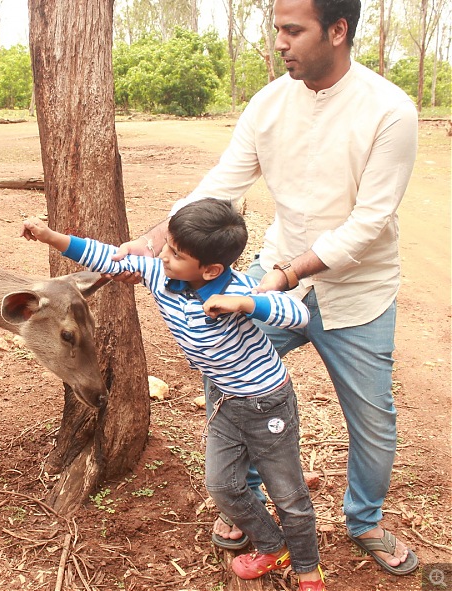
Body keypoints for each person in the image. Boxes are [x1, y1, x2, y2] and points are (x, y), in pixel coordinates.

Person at [110, 0, 419, 577]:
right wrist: (153, 239)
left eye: (292, 30)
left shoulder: (391, 112)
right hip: (276, 270)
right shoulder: (270, 103)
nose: (280, 42)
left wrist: (283, 278)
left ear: (337, 29)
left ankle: (366, 520)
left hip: (356, 291)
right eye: (277, 28)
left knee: (372, 417)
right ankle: (245, 504)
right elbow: (221, 186)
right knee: (227, 372)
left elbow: (369, 222)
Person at [22, 199, 326, 590]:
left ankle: (307, 570)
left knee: (288, 495)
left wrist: (246, 303)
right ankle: (272, 545)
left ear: (210, 270)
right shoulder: (161, 274)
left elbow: (298, 315)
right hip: (224, 401)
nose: (161, 255)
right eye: (166, 245)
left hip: (266, 402)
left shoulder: (237, 288)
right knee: (223, 486)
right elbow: (108, 258)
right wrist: (51, 237)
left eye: (175, 253)